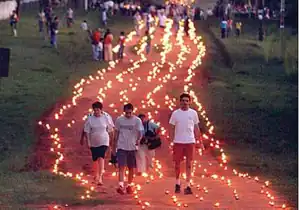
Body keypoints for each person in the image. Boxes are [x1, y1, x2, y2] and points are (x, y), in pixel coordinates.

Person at [169, 93, 201, 195]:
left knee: (189, 164)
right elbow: (172, 128)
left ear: (190, 102)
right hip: (178, 141)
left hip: (190, 141)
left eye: (187, 101)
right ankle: (177, 183)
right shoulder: (175, 113)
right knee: (177, 164)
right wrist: (171, 140)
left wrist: (199, 141)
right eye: (183, 100)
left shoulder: (193, 113)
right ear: (180, 102)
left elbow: (196, 128)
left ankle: (188, 185)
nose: (185, 103)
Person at [113, 103, 143, 195]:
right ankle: (121, 185)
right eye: (126, 113)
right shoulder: (119, 120)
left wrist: (138, 140)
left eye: (130, 113)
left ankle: (129, 185)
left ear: (132, 111)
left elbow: (140, 132)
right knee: (121, 166)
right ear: (124, 112)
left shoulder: (137, 120)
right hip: (122, 146)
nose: (128, 115)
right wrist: (114, 147)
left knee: (131, 168)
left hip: (132, 147)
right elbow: (116, 133)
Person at [81, 102, 114, 185]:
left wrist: (112, 140)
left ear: (101, 110)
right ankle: (96, 175)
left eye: (97, 110)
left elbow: (111, 129)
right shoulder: (90, 118)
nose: (96, 112)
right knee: (95, 159)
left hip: (104, 140)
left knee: (101, 157)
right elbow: (87, 131)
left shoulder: (106, 117)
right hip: (93, 141)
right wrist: (88, 141)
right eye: (94, 110)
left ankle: (100, 178)